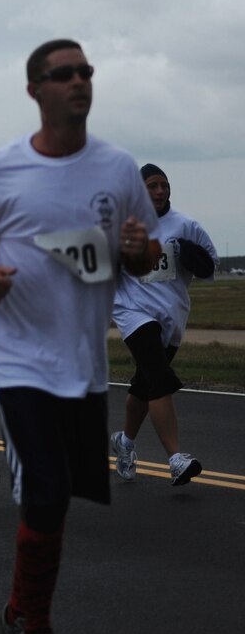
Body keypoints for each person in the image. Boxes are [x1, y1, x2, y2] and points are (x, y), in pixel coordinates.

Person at [0, 39, 160, 634]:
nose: (80, 82)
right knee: (45, 488)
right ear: (36, 89)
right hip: (16, 360)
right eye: (64, 74)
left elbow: (143, 258)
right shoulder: (2, 169)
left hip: (82, 362)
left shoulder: (117, 169)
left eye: (86, 71)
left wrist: (138, 248)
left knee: (58, 504)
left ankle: (16, 613)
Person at [110, 164, 218, 486]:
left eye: (163, 185)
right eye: (152, 186)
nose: (159, 191)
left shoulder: (186, 226)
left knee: (144, 387)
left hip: (171, 316)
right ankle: (176, 458)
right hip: (133, 312)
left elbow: (210, 267)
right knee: (159, 376)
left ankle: (125, 442)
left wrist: (193, 257)